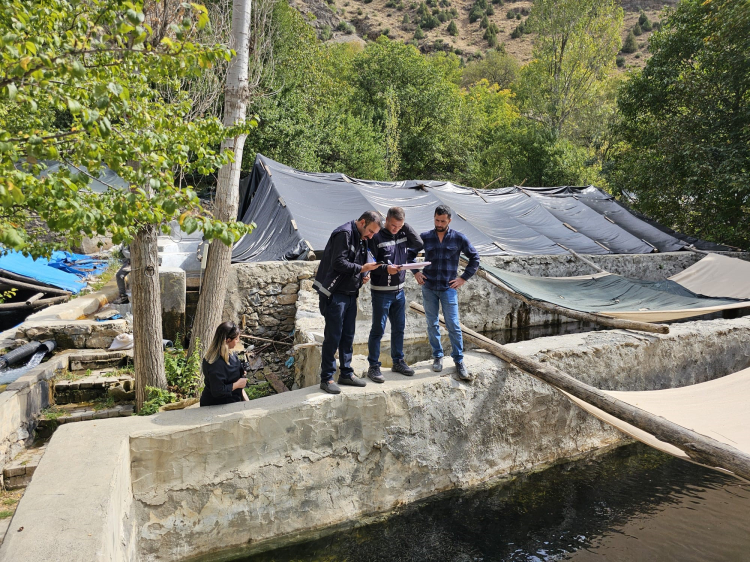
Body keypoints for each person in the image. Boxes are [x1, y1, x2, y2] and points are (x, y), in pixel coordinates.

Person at [314, 211, 383, 394]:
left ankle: (346, 373)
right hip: (335, 294)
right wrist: (362, 268)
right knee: (333, 337)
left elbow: (357, 264)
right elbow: (339, 263)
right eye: (370, 231)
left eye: (374, 233)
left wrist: (363, 276)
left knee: (348, 336)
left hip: (351, 293)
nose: (371, 236)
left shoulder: (362, 237)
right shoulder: (343, 234)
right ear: (361, 222)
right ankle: (327, 378)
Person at [413, 205, 480, 381]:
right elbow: (409, 254)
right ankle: (437, 356)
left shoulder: (459, 238)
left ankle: (459, 360)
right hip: (429, 287)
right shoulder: (425, 237)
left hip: (448, 288)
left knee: (453, 325)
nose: (439, 223)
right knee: (432, 323)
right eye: (437, 220)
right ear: (434, 218)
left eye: (443, 221)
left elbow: (475, 258)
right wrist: (416, 272)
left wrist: (463, 278)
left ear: (449, 220)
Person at [366, 207, 423, 383]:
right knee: (378, 329)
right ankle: (373, 366)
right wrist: (385, 268)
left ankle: (398, 361)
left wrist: (404, 227)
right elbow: (369, 262)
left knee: (399, 328)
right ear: (386, 220)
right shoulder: (376, 237)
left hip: (399, 292)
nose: (395, 229)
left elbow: (419, 244)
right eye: (392, 225)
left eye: (399, 226)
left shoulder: (403, 234)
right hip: (381, 293)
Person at [200, 321, 249, 406]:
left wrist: (240, 373)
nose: (238, 341)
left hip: (232, 400)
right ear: (228, 340)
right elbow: (217, 391)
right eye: (236, 339)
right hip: (216, 406)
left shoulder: (230, 353)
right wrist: (237, 384)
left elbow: (229, 372)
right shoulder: (215, 363)